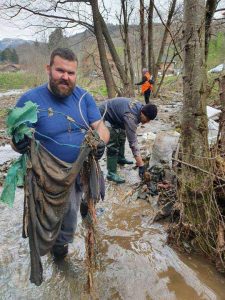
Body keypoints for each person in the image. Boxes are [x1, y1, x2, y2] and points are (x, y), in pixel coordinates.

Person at [12, 48, 110, 259]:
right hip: (46, 178)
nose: (65, 77)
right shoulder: (30, 100)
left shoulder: (83, 97)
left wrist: (101, 141)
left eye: (71, 73)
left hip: (76, 174)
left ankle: (60, 251)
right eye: (60, 71)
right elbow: (15, 138)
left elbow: (101, 127)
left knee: (69, 218)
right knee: (45, 221)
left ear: (76, 74)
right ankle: (52, 245)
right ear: (49, 69)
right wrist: (18, 144)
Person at [99, 97, 157, 184]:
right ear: (142, 113)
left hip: (117, 115)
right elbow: (133, 143)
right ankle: (111, 173)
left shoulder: (140, 109)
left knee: (122, 135)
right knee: (113, 143)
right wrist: (141, 165)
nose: (147, 122)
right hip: (105, 114)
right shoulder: (131, 117)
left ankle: (120, 158)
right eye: (147, 119)